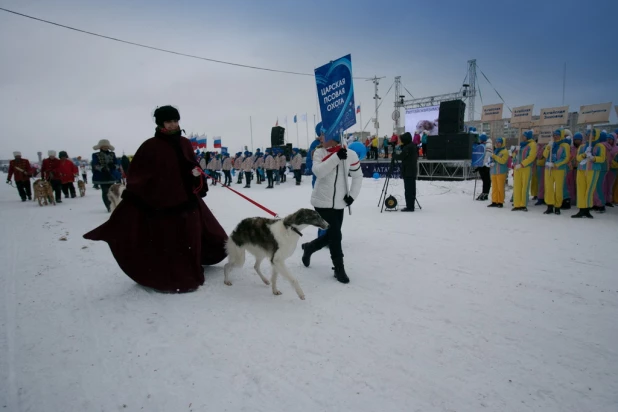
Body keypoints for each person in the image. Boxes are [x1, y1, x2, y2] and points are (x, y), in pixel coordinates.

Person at [83, 105, 227, 293]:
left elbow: (191, 164)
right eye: (169, 121)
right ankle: (176, 271)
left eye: (176, 120)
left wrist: (196, 174)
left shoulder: (184, 142)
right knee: (173, 238)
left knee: (195, 232)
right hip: (164, 202)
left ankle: (193, 264)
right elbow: (139, 174)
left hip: (188, 198)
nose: (173, 124)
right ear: (160, 123)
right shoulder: (150, 146)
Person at [300, 134, 363, 283]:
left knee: (332, 234)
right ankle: (339, 268)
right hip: (321, 202)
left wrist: (352, 195)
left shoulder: (351, 154)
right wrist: (336, 157)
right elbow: (319, 172)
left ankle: (310, 247)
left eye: (323, 136)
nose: (320, 139)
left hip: (339, 203)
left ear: (333, 136)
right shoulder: (319, 152)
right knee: (335, 235)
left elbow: (358, 176)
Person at [572, 129, 605, 218]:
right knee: (581, 189)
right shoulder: (582, 147)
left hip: (593, 170)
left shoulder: (600, 146)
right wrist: (584, 155)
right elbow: (578, 158)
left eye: (590, 135)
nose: (588, 136)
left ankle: (587, 209)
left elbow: (602, 158)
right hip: (581, 169)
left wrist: (593, 158)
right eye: (587, 134)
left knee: (589, 189)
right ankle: (581, 209)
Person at [542, 130, 570, 215]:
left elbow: (566, 158)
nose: (555, 136)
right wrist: (548, 147)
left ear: (561, 135)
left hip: (559, 169)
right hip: (548, 169)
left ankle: (557, 206)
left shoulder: (564, 145)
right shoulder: (550, 144)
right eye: (554, 135)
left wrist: (556, 164)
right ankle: (549, 205)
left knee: (558, 188)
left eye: (557, 135)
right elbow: (545, 155)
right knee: (548, 187)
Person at [90, 139, 120, 212]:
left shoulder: (112, 154)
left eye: (106, 146)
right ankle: (109, 206)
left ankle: (114, 204)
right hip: (102, 175)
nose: (105, 148)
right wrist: (101, 168)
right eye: (103, 146)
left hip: (111, 175)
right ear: (100, 147)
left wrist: (114, 166)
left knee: (112, 190)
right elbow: (95, 164)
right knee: (105, 191)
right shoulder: (95, 155)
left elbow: (117, 164)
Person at [512, 130, 537, 211]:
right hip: (517, 168)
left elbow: (531, 157)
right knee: (517, 186)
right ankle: (516, 204)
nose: (523, 137)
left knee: (524, 186)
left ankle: (523, 204)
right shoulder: (520, 144)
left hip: (525, 168)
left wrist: (522, 164)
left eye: (524, 136)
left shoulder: (532, 145)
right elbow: (513, 156)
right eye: (522, 136)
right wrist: (515, 151)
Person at [394, 132, 418, 212]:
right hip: (412, 171)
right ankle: (411, 205)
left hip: (408, 171)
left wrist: (394, 156)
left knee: (408, 190)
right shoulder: (412, 145)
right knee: (411, 189)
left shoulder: (407, 147)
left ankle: (410, 207)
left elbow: (401, 156)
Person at [488, 137, 509, 208]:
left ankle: (500, 202)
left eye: (499, 142)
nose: (497, 144)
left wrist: (495, 157)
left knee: (500, 188)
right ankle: (494, 201)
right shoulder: (495, 151)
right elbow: (492, 159)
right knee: (494, 187)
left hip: (501, 172)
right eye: (496, 142)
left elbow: (503, 161)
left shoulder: (505, 151)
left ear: (502, 143)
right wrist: (490, 163)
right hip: (494, 171)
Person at [306, 123, 325, 187]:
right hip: (319, 177)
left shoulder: (334, 142)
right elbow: (310, 160)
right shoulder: (315, 144)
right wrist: (315, 170)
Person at [475, 134, 493, 201]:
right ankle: (484, 192)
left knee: (486, 180)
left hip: (485, 166)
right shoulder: (483, 145)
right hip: (482, 165)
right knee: (484, 180)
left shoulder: (488, 145)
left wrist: (483, 165)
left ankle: (485, 193)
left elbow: (487, 156)